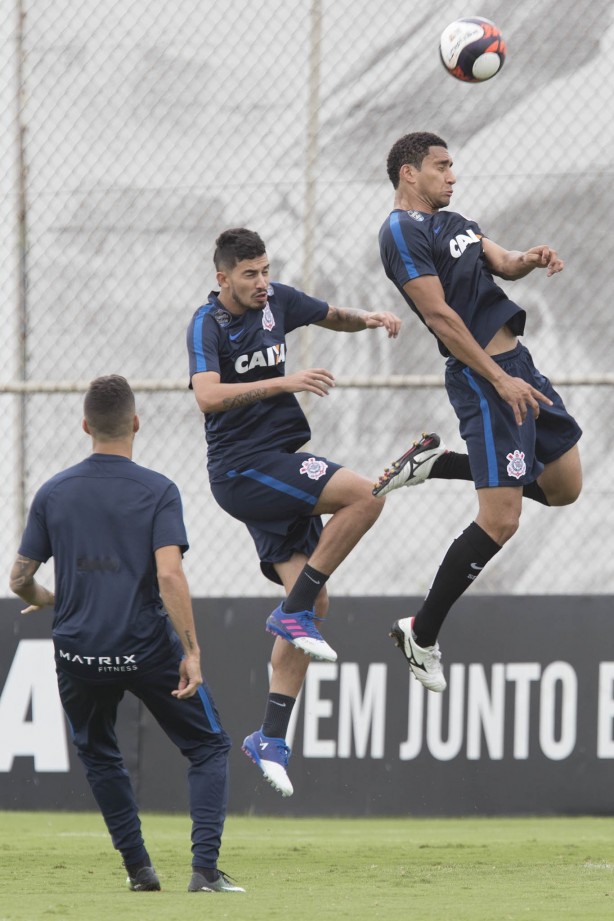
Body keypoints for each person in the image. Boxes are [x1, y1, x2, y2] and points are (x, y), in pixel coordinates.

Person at [187, 227, 402, 797]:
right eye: (249, 274)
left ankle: (270, 737)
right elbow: (207, 396)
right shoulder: (208, 325)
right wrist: (284, 381)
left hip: (276, 463)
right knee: (365, 495)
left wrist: (371, 317)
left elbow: (330, 314)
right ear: (223, 278)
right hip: (241, 469)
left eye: (264, 270)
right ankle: (293, 613)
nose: (262, 282)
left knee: (314, 599)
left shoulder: (278, 300)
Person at [8, 375, 243, 894]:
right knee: (208, 746)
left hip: (77, 653)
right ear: (135, 423)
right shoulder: (158, 490)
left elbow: (19, 579)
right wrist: (193, 651)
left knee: (98, 751)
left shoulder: (53, 492)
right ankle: (204, 871)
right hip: (146, 648)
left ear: (85, 426)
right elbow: (169, 575)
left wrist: (47, 600)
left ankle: (139, 870)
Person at [374, 131, 582, 693]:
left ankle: (440, 463)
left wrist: (531, 259)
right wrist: (496, 378)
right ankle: (421, 632)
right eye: (441, 166)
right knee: (502, 519)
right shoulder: (400, 231)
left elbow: (502, 263)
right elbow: (440, 317)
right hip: (484, 379)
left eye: (452, 166)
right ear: (408, 174)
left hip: (519, 365)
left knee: (564, 486)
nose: (452, 175)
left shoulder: (456, 220)